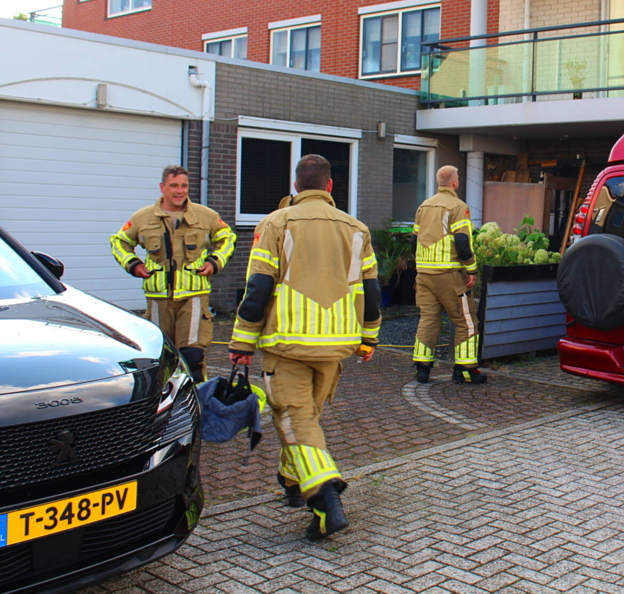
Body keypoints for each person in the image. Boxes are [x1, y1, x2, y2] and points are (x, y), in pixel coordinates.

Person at [228, 154, 381, 540]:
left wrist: (242, 340)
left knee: (294, 419)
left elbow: (258, 288)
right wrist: (369, 337)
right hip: (335, 348)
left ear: (296, 186)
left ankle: (326, 494)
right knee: (305, 418)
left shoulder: (276, 223)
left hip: (288, 345)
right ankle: (291, 481)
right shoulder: (356, 228)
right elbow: (373, 292)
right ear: (330, 187)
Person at [111, 165, 236, 382]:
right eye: (174, 186)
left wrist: (214, 262)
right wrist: (133, 265)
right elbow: (119, 242)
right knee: (161, 355)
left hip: (194, 297)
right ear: (162, 187)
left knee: (192, 357)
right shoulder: (143, 217)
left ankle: (197, 404)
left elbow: (227, 238)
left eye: (184, 186)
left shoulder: (205, 216)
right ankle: (163, 403)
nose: (180, 191)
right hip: (159, 300)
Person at [411, 165, 486, 385]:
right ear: (455, 182)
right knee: (466, 322)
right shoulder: (458, 207)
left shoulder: (423, 206)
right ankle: (465, 370)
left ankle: (422, 369)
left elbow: (413, 241)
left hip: (423, 275)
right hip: (450, 275)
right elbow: (462, 243)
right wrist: (471, 269)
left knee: (428, 319)